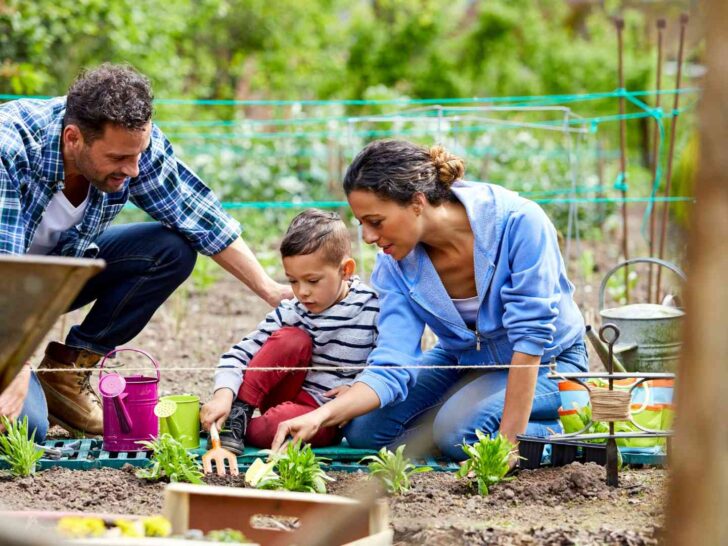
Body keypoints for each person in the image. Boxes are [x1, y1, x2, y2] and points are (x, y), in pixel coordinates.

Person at [0, 64, 291, 440]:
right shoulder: (10, 149)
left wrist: (269, 289)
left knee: (170, 249)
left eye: (137, 154)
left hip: (49, 281)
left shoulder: (132, 145)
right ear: (74, 139)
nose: (134, 169)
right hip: (8, 291)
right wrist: (15, 366)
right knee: (24, 431)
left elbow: (199, 216)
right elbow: (5, 277)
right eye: (119, 159)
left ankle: (64, 378)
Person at [271, 139, 588, 462]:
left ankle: (578, 426)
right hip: (463, 360)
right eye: (361, 223)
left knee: (460, 435)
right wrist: (323, 415)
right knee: (364, 430)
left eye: (375, 222)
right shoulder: (394, 264)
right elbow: (394, 359)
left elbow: (530, 340)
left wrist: (508, 446)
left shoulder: (518, 223)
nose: (366, 237)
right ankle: (460, 413)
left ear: (417, 203)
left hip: (551, 362)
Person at [200, 209, 379, 453]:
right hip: (284, 392)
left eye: (312, 281)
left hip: (324, 415)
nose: (302, 292)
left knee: (276, 426)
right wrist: (223, 395)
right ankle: (236, 415)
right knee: (292, 339)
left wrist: (357, 388)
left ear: (345, 270)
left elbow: (386, 364)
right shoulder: (293, 310)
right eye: (293, 281)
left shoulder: (372, 308)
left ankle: (231, 427)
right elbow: (239, 355)